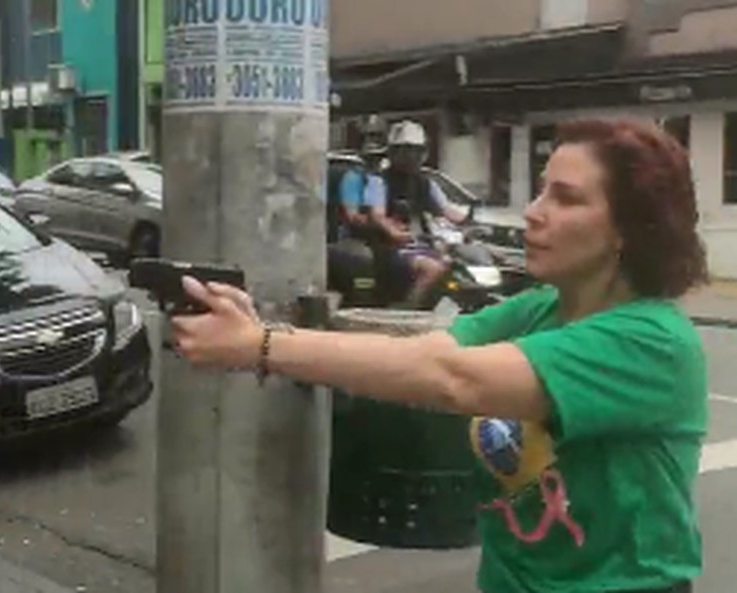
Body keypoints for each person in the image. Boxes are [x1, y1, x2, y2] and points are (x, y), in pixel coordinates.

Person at [171, 118, 708, 593]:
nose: (533, 213)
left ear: (627, 231)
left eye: (566, 199)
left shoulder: (652, 341)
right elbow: (427, 351)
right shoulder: (539, 309)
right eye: (542, 191)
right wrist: (262, 331)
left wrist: (260, 346)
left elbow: (453, 379)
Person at [381, 120, 471, 305]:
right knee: (432, 269)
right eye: (404, 150)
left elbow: (446, 210)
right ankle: (406, 313)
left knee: (458, 262)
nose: (410, 156)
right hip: (390, 247)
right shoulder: (379, 182)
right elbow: (376, 216)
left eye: (415, 150)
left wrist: (472, 220)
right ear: (392, 153)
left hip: (419, 244)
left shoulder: (425, 183)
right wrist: (392, 230)